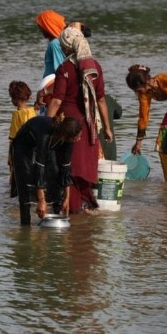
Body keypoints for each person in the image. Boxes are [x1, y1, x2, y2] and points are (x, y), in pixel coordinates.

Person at [46, 26, 113, 214]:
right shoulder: (95, 67)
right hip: (90, 125)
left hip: (69, 126)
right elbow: (101, 100)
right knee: (85, 166)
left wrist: (45, 124)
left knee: (70, 165)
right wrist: (107, 128)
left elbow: (56, 101)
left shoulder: (65, 69)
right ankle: (84, 205)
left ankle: (72, 207)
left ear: (67, 47)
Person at [12, 116, 81, 225]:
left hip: (45, 148)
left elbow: (65, 167)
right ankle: (25, 225)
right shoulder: (45, 136)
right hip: (23, 148)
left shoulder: (69, 140)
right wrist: (41, 200)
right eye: (76, 137)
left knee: (54, 176)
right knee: (26, 183)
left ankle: (57, 215)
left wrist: (67, 198)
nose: (79, 139)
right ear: (65, 136)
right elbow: (40, 168)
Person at [7, 81, 37, 196]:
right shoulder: (32, 111)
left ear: (14, 98)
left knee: (16, 179)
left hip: (19, 150)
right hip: (32, 149)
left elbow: (13, 137)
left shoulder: (17, 114)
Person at [35, 10, 67, 78]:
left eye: (41, 27)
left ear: (48, 26)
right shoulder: (58, 42)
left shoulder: (54, 44)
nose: (40, 30)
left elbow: (60, 70)